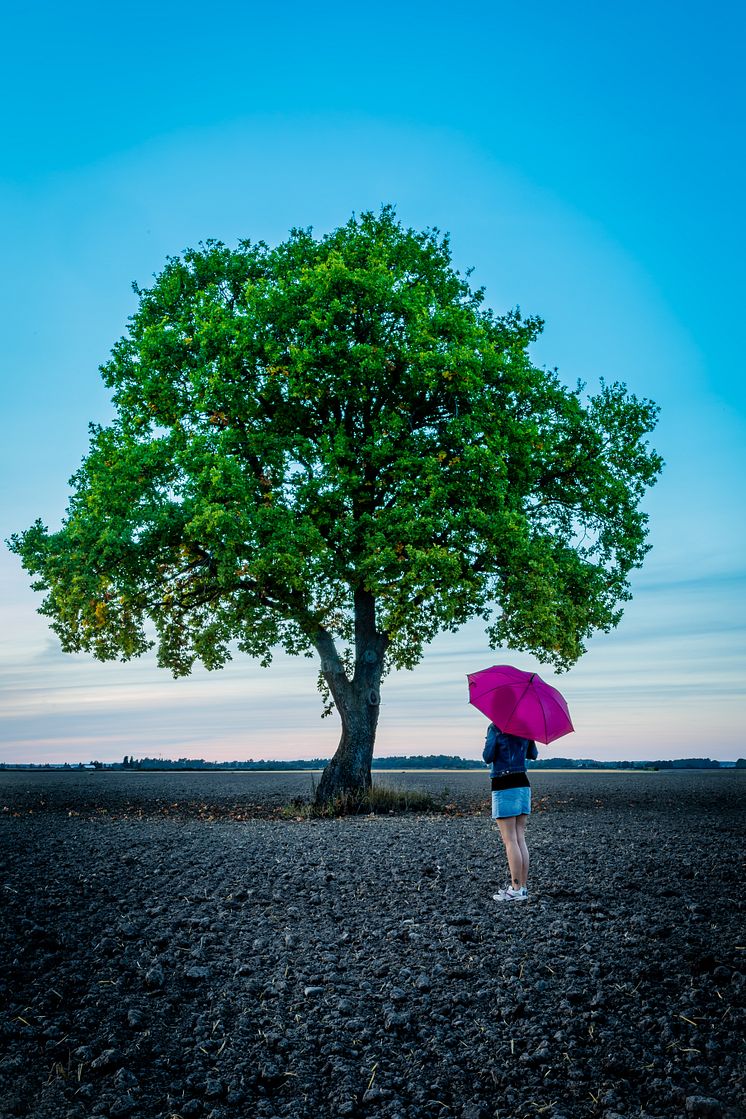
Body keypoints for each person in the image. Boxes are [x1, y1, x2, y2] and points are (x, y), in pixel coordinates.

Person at [482, 723, 538, 901]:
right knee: (520, 838)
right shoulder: (527, 726)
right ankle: (522, 888)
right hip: (523, 783)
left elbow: (487, 756)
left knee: (510, 840)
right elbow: (533, 754)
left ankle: (515, 889)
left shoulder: (495, 727)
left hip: (504, 783)